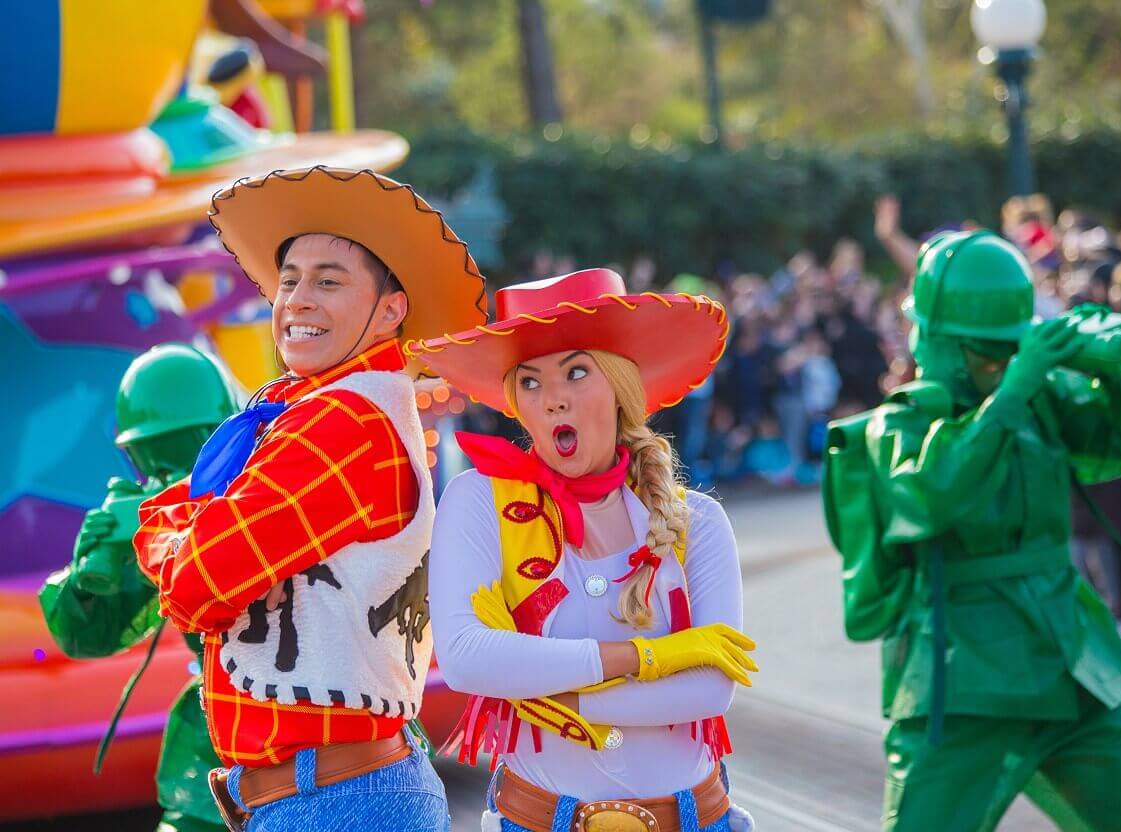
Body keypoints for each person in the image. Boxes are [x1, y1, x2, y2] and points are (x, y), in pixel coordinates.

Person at [133, 166, 485, 832]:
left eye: (329, 280)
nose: (297, 299)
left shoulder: (342, 421)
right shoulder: (302, 412)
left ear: (390, 309)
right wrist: (186, 525)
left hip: (334, 800)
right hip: (329, 794)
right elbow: (188, 528)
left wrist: (166, 530)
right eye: (288, 280)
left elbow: (195, 583)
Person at [822, 230, 1121, 831]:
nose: (997, 367)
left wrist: (1116, 366)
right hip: (966, 680)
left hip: (1070, 666)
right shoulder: (900, 425)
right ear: (937, 340)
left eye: (1004, 351)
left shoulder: (1039, 400)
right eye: (984, 353)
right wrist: (1017, 386)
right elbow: (930, 496)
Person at [409, 268, 758, 832]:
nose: (552, 401)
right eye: (530, 382)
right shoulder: (478, 500)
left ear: (620, 387)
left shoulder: (701, 521)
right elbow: (471, 658)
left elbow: (710, 690)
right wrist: (644, 660)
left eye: (576, 372)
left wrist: (562, 702)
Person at [40, 343, 238, 832]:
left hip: (322, 735)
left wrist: (173, 517)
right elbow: (88, 636)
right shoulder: (153, 514)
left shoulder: (271, 477)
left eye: (179, 461)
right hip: (214, 754)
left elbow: (248, 534)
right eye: (155, 467)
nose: (163, 480)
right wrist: (91, 572)